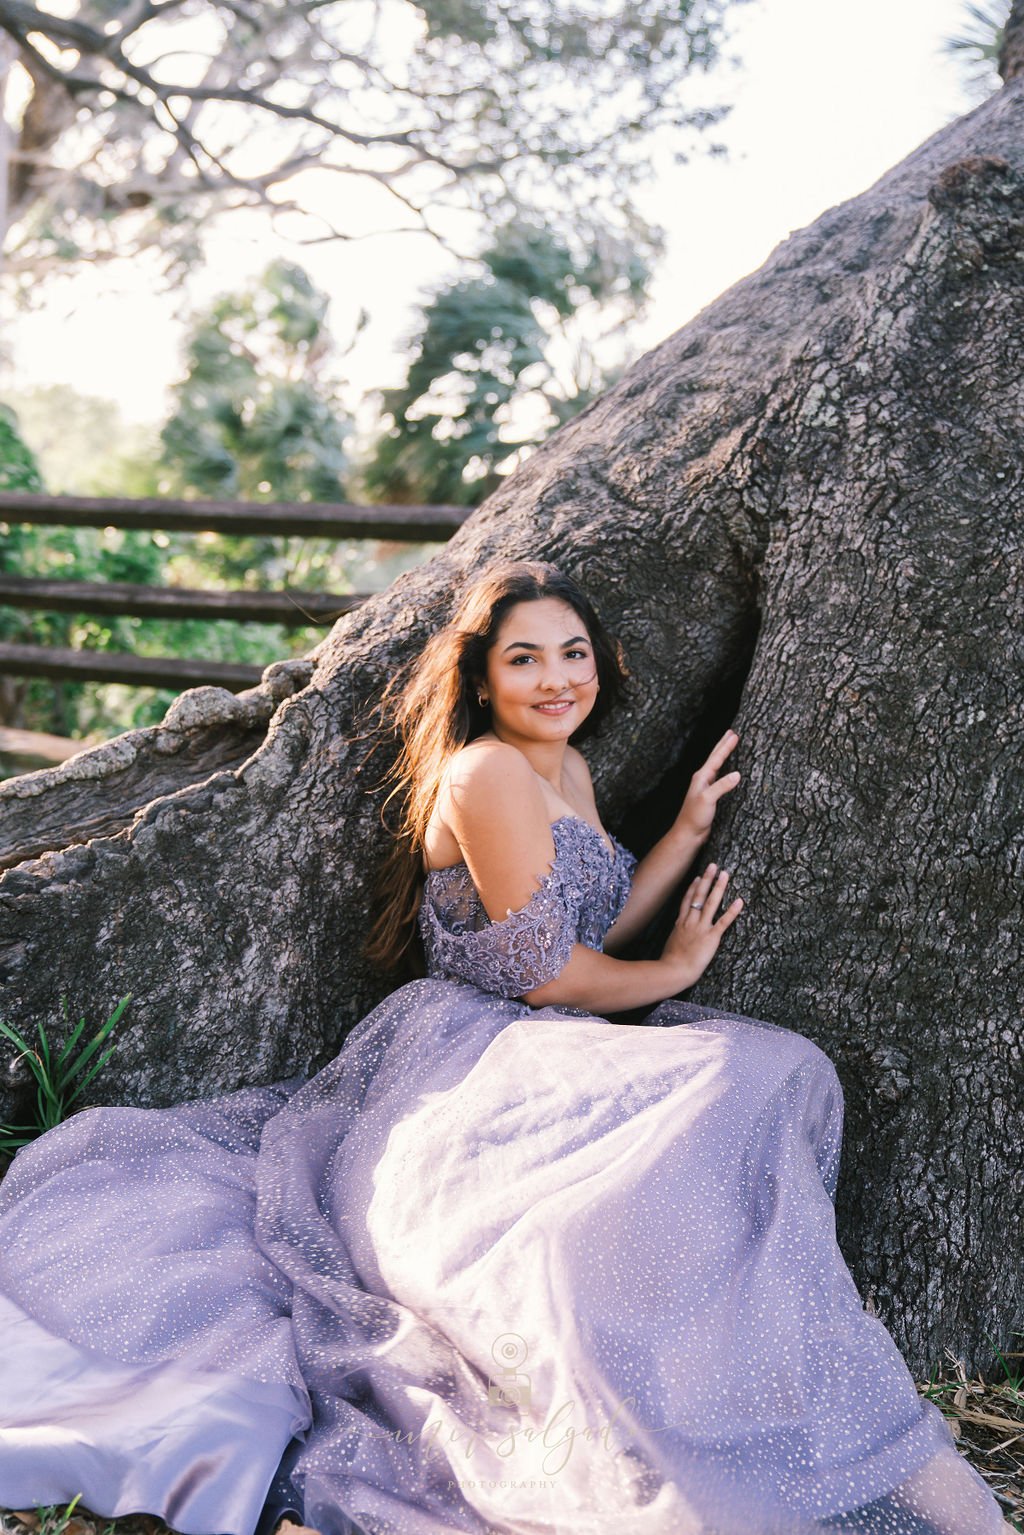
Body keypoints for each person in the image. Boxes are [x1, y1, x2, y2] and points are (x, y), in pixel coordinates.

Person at [0, 558, 1008, 1535]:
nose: (558, 676)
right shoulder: (485, 771)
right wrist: (674, 973)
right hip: (476, 1040)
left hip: (554, 1036)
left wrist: (685, 832)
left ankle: (722, 1362)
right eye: (524, 658)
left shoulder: (561, 764)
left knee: (773, 1075)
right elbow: (539, 969)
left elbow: (593, 926)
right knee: (740, 1070)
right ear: (480, 677)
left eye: (574, 652)